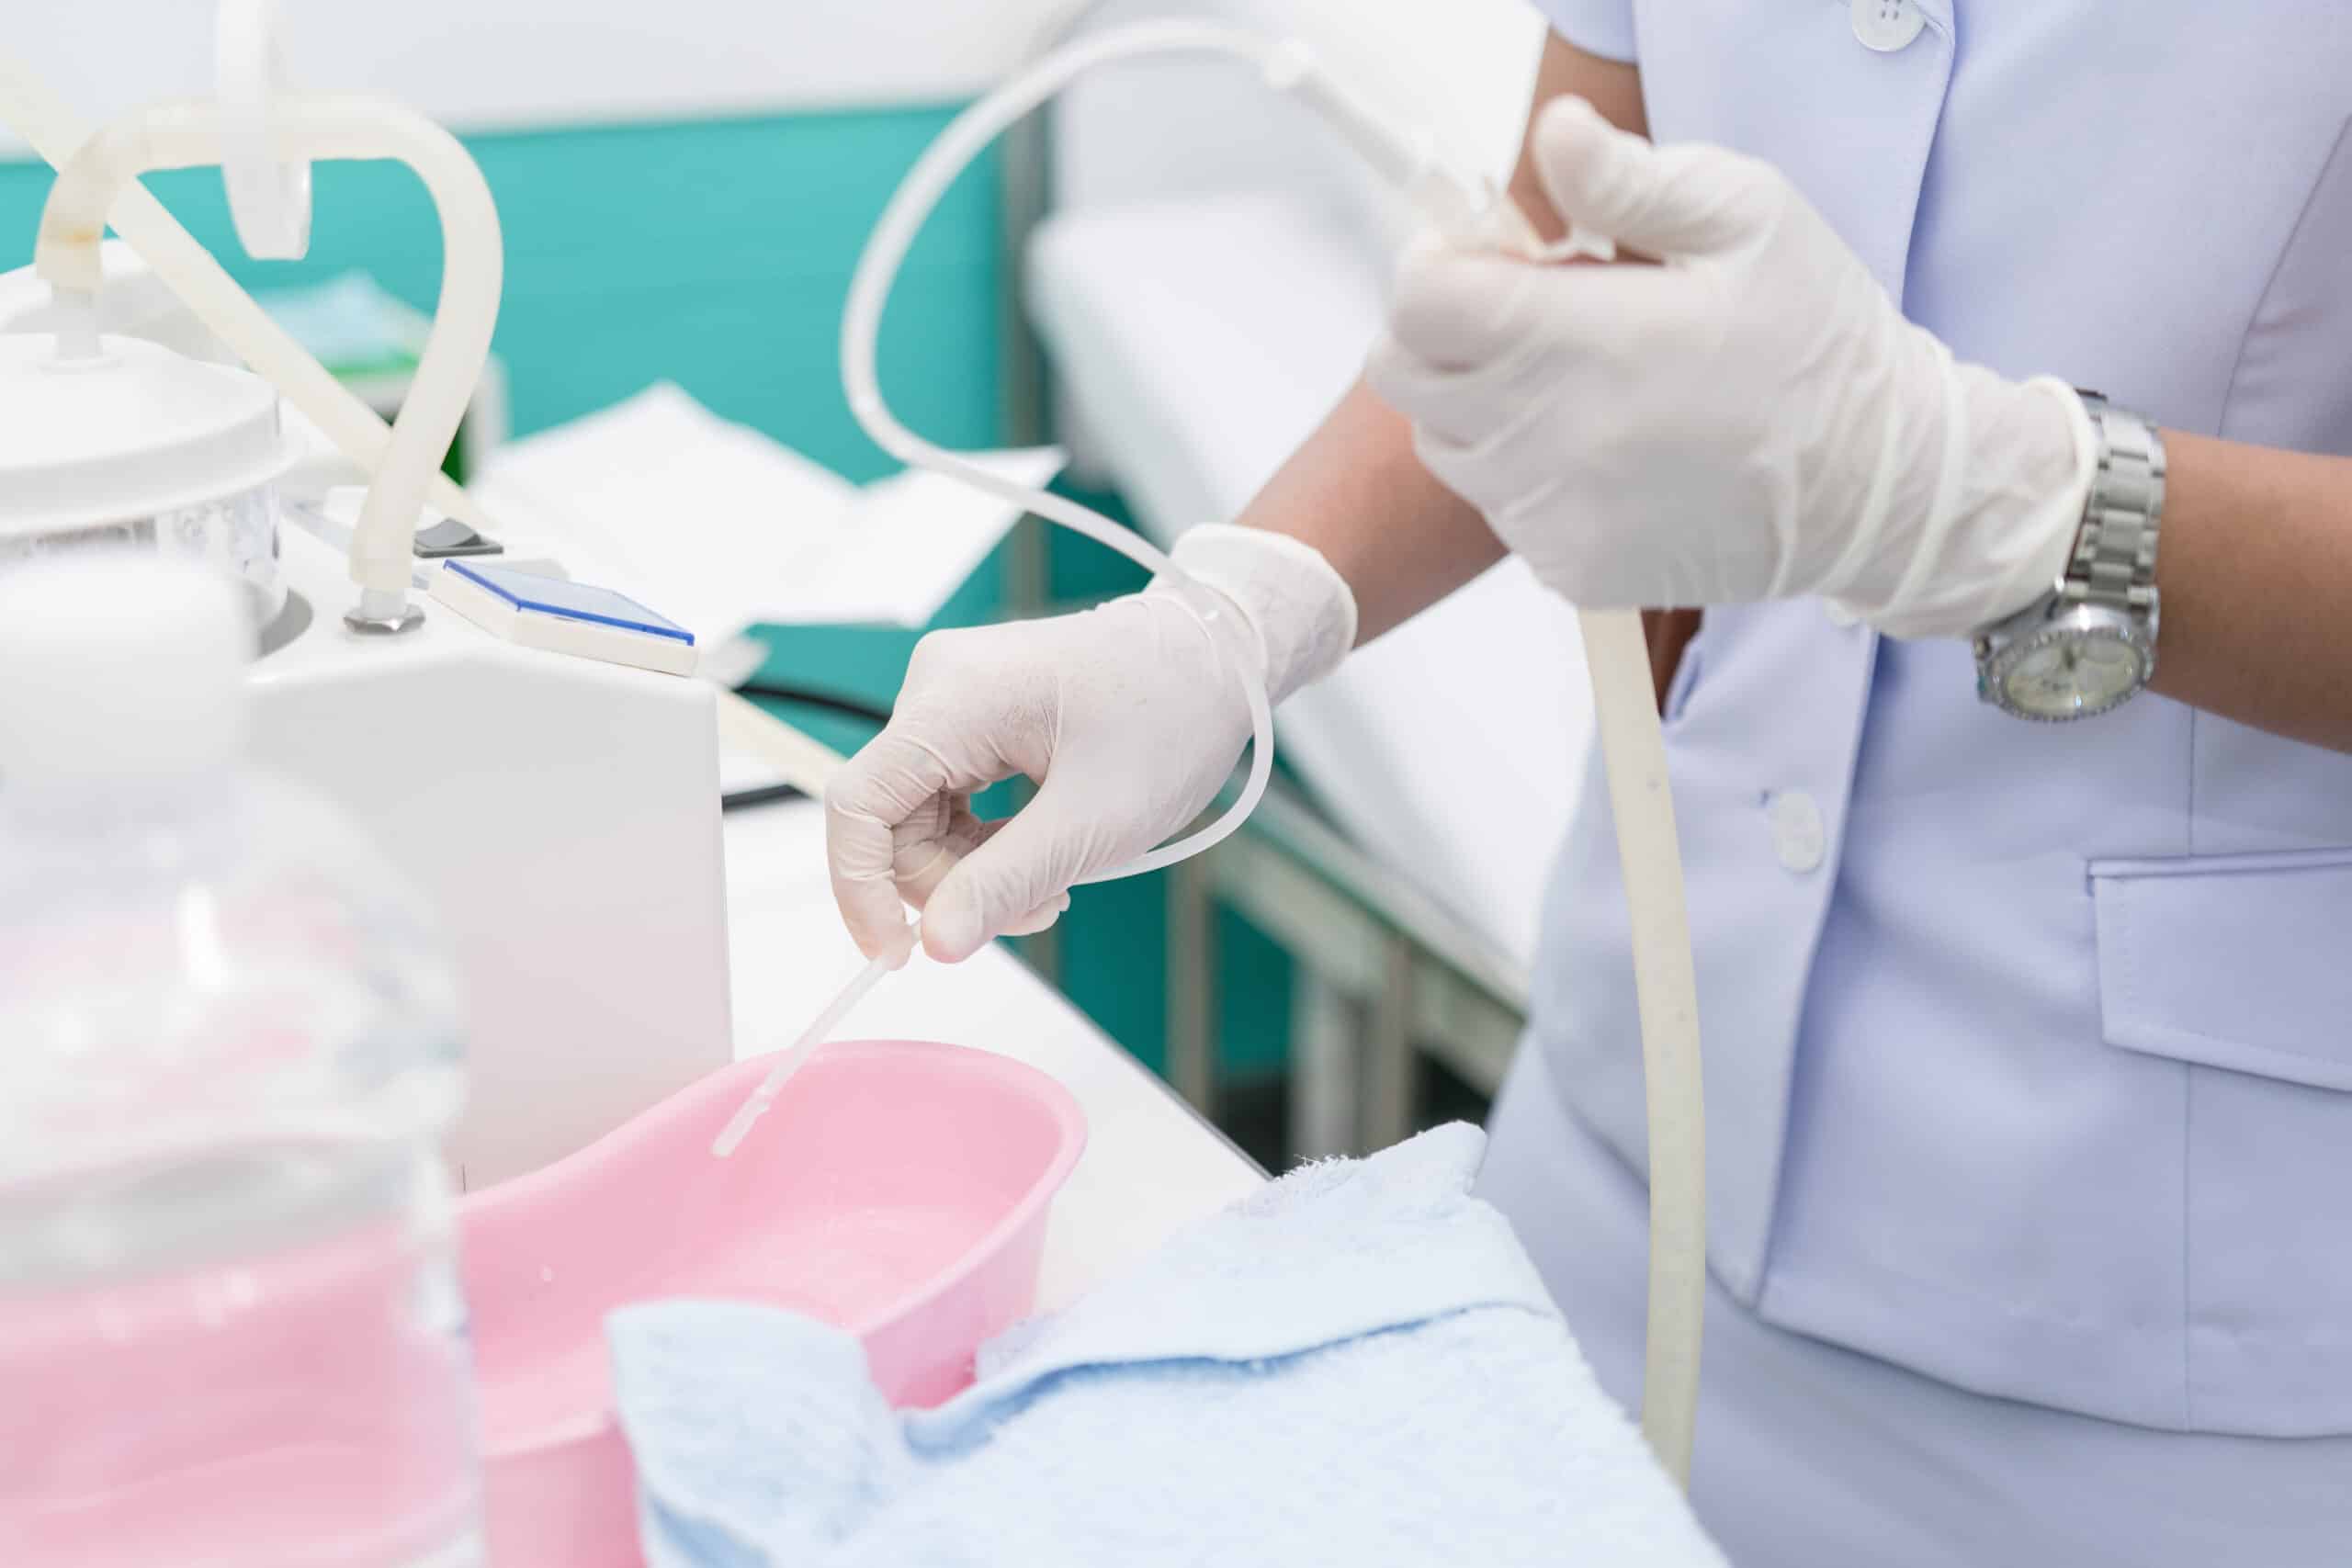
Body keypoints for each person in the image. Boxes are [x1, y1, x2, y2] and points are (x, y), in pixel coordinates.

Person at [825, 5, 2352, 1562]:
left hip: (2177, 1332)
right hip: (1626, 1130)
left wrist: (2023, 505)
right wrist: (1233, 615)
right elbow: (1569, 259)